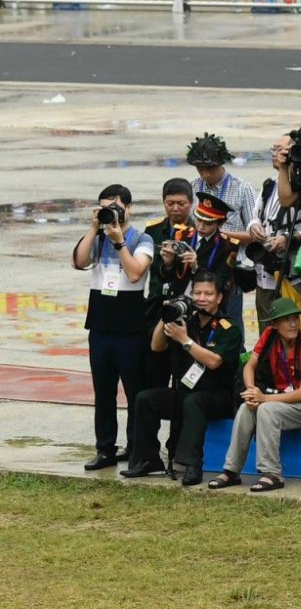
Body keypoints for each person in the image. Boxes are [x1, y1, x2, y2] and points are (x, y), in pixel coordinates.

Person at [121, 271, 242, 486]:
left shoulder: (229, 329)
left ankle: (192, 465)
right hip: (185, 392)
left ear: (219, 298)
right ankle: (147, 460)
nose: (202, 298)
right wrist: (165, 317)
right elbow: (156, 347)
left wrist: (185, 340)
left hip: (218, 396)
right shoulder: (184, 321)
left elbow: (214, 361)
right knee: (146, 398)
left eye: (208, 294)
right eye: (197, 293)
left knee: (194, 402)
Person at [209, 297, 301, 493]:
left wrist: (263, 398)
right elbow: (249, 366)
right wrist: (251, 391)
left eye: (296, 318)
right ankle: (231, 471)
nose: (293, 324)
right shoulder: (269, 336)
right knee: (246, 408)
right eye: (286, 319)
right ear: (274, 324)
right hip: (282, 397)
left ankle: (272, 473)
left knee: (266, 410)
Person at [75, 184, 155, 472]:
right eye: (105, 207)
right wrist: (94, 227)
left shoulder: (142, 239)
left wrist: (119, 241)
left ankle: (136, 447)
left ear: (129, 208)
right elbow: (79, 261)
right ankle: (105, 449)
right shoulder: (97, 237)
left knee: (135, 393)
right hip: (100, 326)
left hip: (131, 327)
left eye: (116, 207)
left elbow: (135, 273)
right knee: (104, 392)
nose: (112, 213)